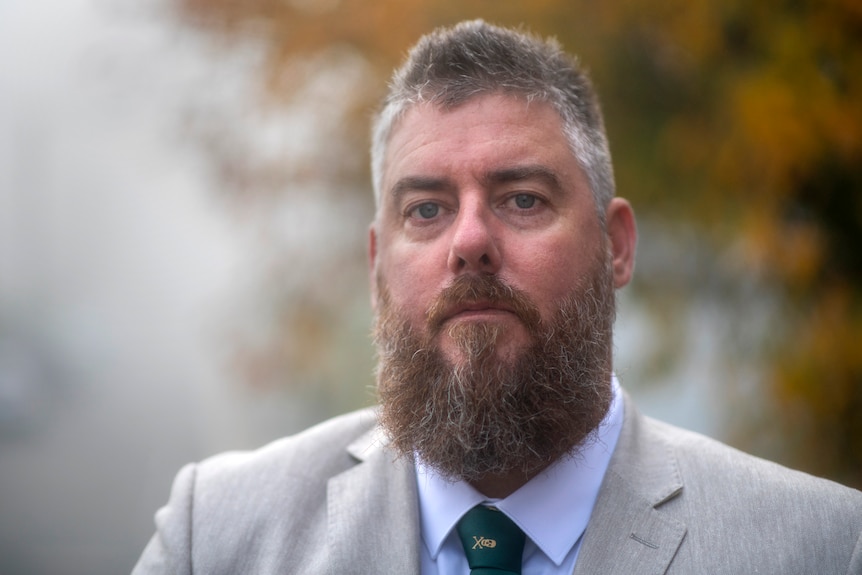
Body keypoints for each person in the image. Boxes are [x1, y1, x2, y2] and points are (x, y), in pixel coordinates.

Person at [132, 20, 862, 574]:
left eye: (522, 198)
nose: (471, 240)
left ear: (617, 245)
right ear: (377, 266)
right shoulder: (216, 534)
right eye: (426, 209)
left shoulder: (822, 547)